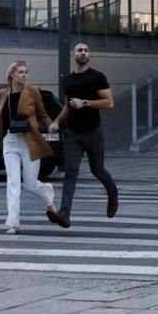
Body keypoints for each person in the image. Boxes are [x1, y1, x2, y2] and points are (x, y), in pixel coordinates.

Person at [47, 42, 118, 229]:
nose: (83, 53)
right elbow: (68, 106)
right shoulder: (68, 80)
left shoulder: (97, 77)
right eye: (80, 50)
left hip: (93, 132)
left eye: (86, 50)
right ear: (74, 55)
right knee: (70, 172)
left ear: (89, 55)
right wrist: (56, 122)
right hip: (73, 133)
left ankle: (112, 193)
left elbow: (109, 103)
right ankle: (64, 213)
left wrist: (85, 102)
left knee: (98, 170)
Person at [0, 60, 58, 235]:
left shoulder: (32, 92)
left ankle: (47, 193)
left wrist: (51, 125)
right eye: (20, 72)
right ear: (12, 74)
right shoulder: (3, 93)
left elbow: (42, 114)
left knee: (30, 183)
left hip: (29, 141)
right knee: (13, 182)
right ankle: (14, 223)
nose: (24, 75)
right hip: (9, 141)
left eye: (26, 72)